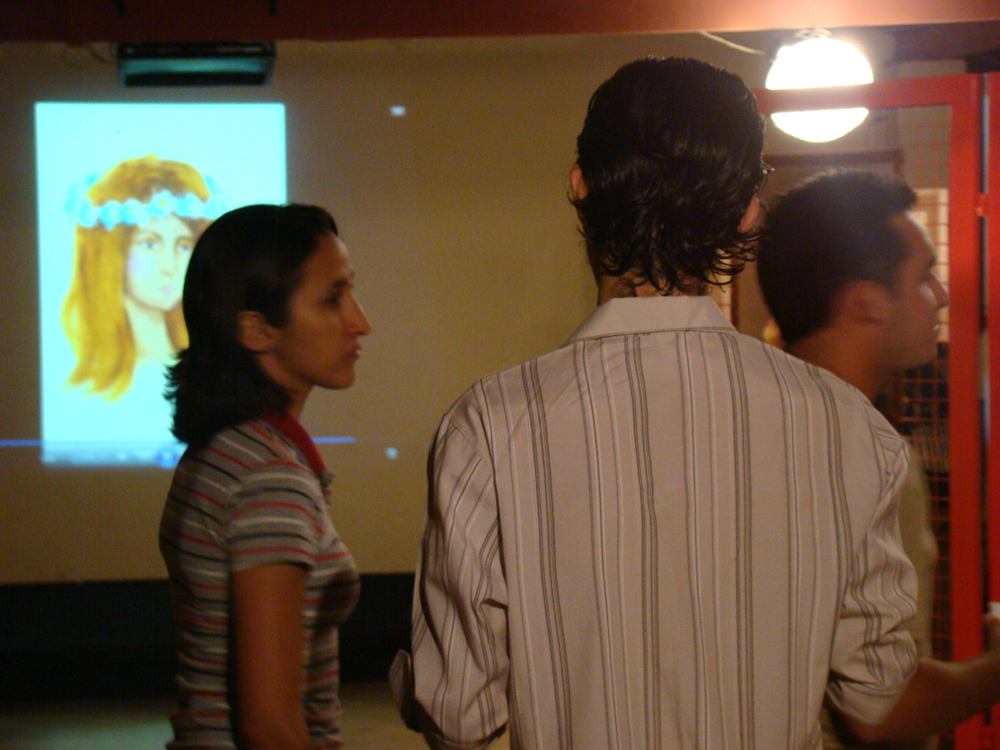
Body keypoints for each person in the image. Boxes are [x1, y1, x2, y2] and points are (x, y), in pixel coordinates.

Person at [390, 57, 1000, 749]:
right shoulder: (851, 430)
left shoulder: (487, 426)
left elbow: (460, 715)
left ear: (581, 186)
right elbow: (876, 691)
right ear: (746, 213)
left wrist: (413, 679)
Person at [757, 169, 1000, 746]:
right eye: (924, 276)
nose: (941, 295)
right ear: (865, 303)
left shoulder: (753, 435)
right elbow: (882, 710)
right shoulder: (865, 454)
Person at [159, 204, 371, 749]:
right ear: (256, 329)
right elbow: (270, 727)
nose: (359, 321)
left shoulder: (227, 448)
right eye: (332, 299)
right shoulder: (267, 476)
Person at [63, 154, 222, 400]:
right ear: (111, 253)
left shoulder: (210, 371)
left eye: (183, 245)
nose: (170, 266)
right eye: (150, 244)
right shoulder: (86, 388)